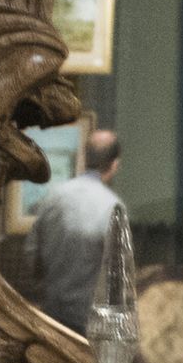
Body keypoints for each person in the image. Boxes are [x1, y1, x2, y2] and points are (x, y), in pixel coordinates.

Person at [29, 128, 126, 334]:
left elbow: (32, 253)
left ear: (83, 158)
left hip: (51, 315)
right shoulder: (113, 206)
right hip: (90, 324)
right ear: (115, 165)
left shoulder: (53, 196)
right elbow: (118, 273)